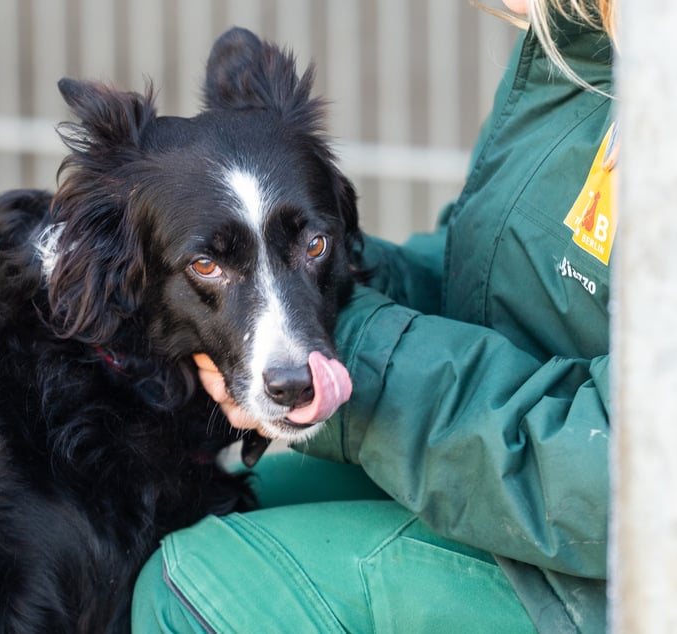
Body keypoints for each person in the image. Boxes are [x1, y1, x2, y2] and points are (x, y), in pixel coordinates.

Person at [132, 0, 617, 631]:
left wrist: (350, 353)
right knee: (178, 514)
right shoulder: (581, 47)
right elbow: (495, 275)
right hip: (523, 495)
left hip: (616, 581)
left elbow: (631, 474)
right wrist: (307, 275)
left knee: (191, 591)